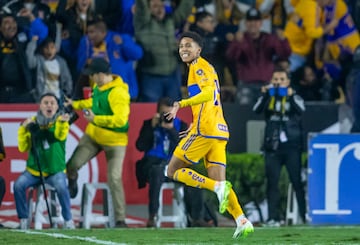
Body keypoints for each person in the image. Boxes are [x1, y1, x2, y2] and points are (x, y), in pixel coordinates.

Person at [165, 31, 254, 239]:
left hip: (205, 130)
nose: (184, 49)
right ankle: (241, 219)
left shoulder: (198, 66)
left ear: (199, 49)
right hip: (218, 130)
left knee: (172, 170)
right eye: (181, 46)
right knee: (221, 182)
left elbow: (208, 94)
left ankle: (216, 188)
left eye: (188, 45)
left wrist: (181, 103)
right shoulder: (206, 67)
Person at [65, 57, 130, 228]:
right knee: (71, 165)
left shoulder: (119, 93)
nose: (90, 79)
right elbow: (93, 103)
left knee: (114, 178)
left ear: (101, 75)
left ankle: (120, 219)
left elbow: (121, 120)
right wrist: (75, 104)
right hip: (93, 136)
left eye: (92, 75)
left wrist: (96, 119)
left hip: (115, 141)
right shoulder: (99, 86)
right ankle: (72, 179)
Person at [135, 97, 212, 227]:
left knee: (194, 175)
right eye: (165, 114)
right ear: (158, 112)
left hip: (174, 166)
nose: (168, 117)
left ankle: (197, 218)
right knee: (157, 171)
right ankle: (152, 216)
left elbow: (184, 149)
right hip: (154, 165)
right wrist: (151, 129)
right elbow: (140, 146)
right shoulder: (149, 124)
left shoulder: (181, 126)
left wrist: (171, 130)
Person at [252, 67, 307, 227]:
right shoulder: (268, 96)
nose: (278, 83)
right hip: (273, 146)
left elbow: (302, 109)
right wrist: (263, 95)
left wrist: (291, 97)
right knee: (272, 183)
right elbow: (255, 110)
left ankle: (303, 216)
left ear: (288, 82)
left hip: (291, 146)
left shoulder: (294, 95)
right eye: (275, 80)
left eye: (281, 79)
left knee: (296, 182)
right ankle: (272, 218)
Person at [14, 92, 75, 230]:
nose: (49, 105)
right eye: (46, 103)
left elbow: (59, 136)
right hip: (34, 171)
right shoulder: (32, 122)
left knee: (61, 187)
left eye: (52, 103)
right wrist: (23, 129)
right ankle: (23, 219)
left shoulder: (61, 121)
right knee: (18, 185)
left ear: (56, 107)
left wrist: (62, 123)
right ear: (40, 106)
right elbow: (23, 148)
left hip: (55, 171)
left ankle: (68, 220)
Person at [226, 7, 291, 105]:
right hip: (246, 83)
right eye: (250, 21)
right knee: (243, 113)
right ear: (245, 23)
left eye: (256, 20)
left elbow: (284, 54)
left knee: (270, 112)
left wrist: (283, 40)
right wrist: (238, 43)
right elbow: (231, 57)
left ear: (261, 23)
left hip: (267, 83)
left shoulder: (269, 38)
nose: (253, 24)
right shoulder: (240, 38)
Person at [134, 0, 194, 102]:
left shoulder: (170, 21)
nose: (160, 9)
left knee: (175, 110)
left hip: (172, 74)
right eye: (155, 6)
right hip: (151, 75)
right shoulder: (142, 22)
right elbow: (141, 6)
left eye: (162, 6)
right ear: (148, 9)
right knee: (150, 111)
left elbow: (185, 9)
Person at [26, 36, 73, 101]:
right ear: (42, 49)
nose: (49, 50)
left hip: (57, 98)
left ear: (56, 49)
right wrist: (33, 42)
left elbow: (67, 79)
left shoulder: (61, 62)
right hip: (41, 97)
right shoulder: (39, 60)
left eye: (52, 47)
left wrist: (67, 93)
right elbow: (30, 62)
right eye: (46, 48)